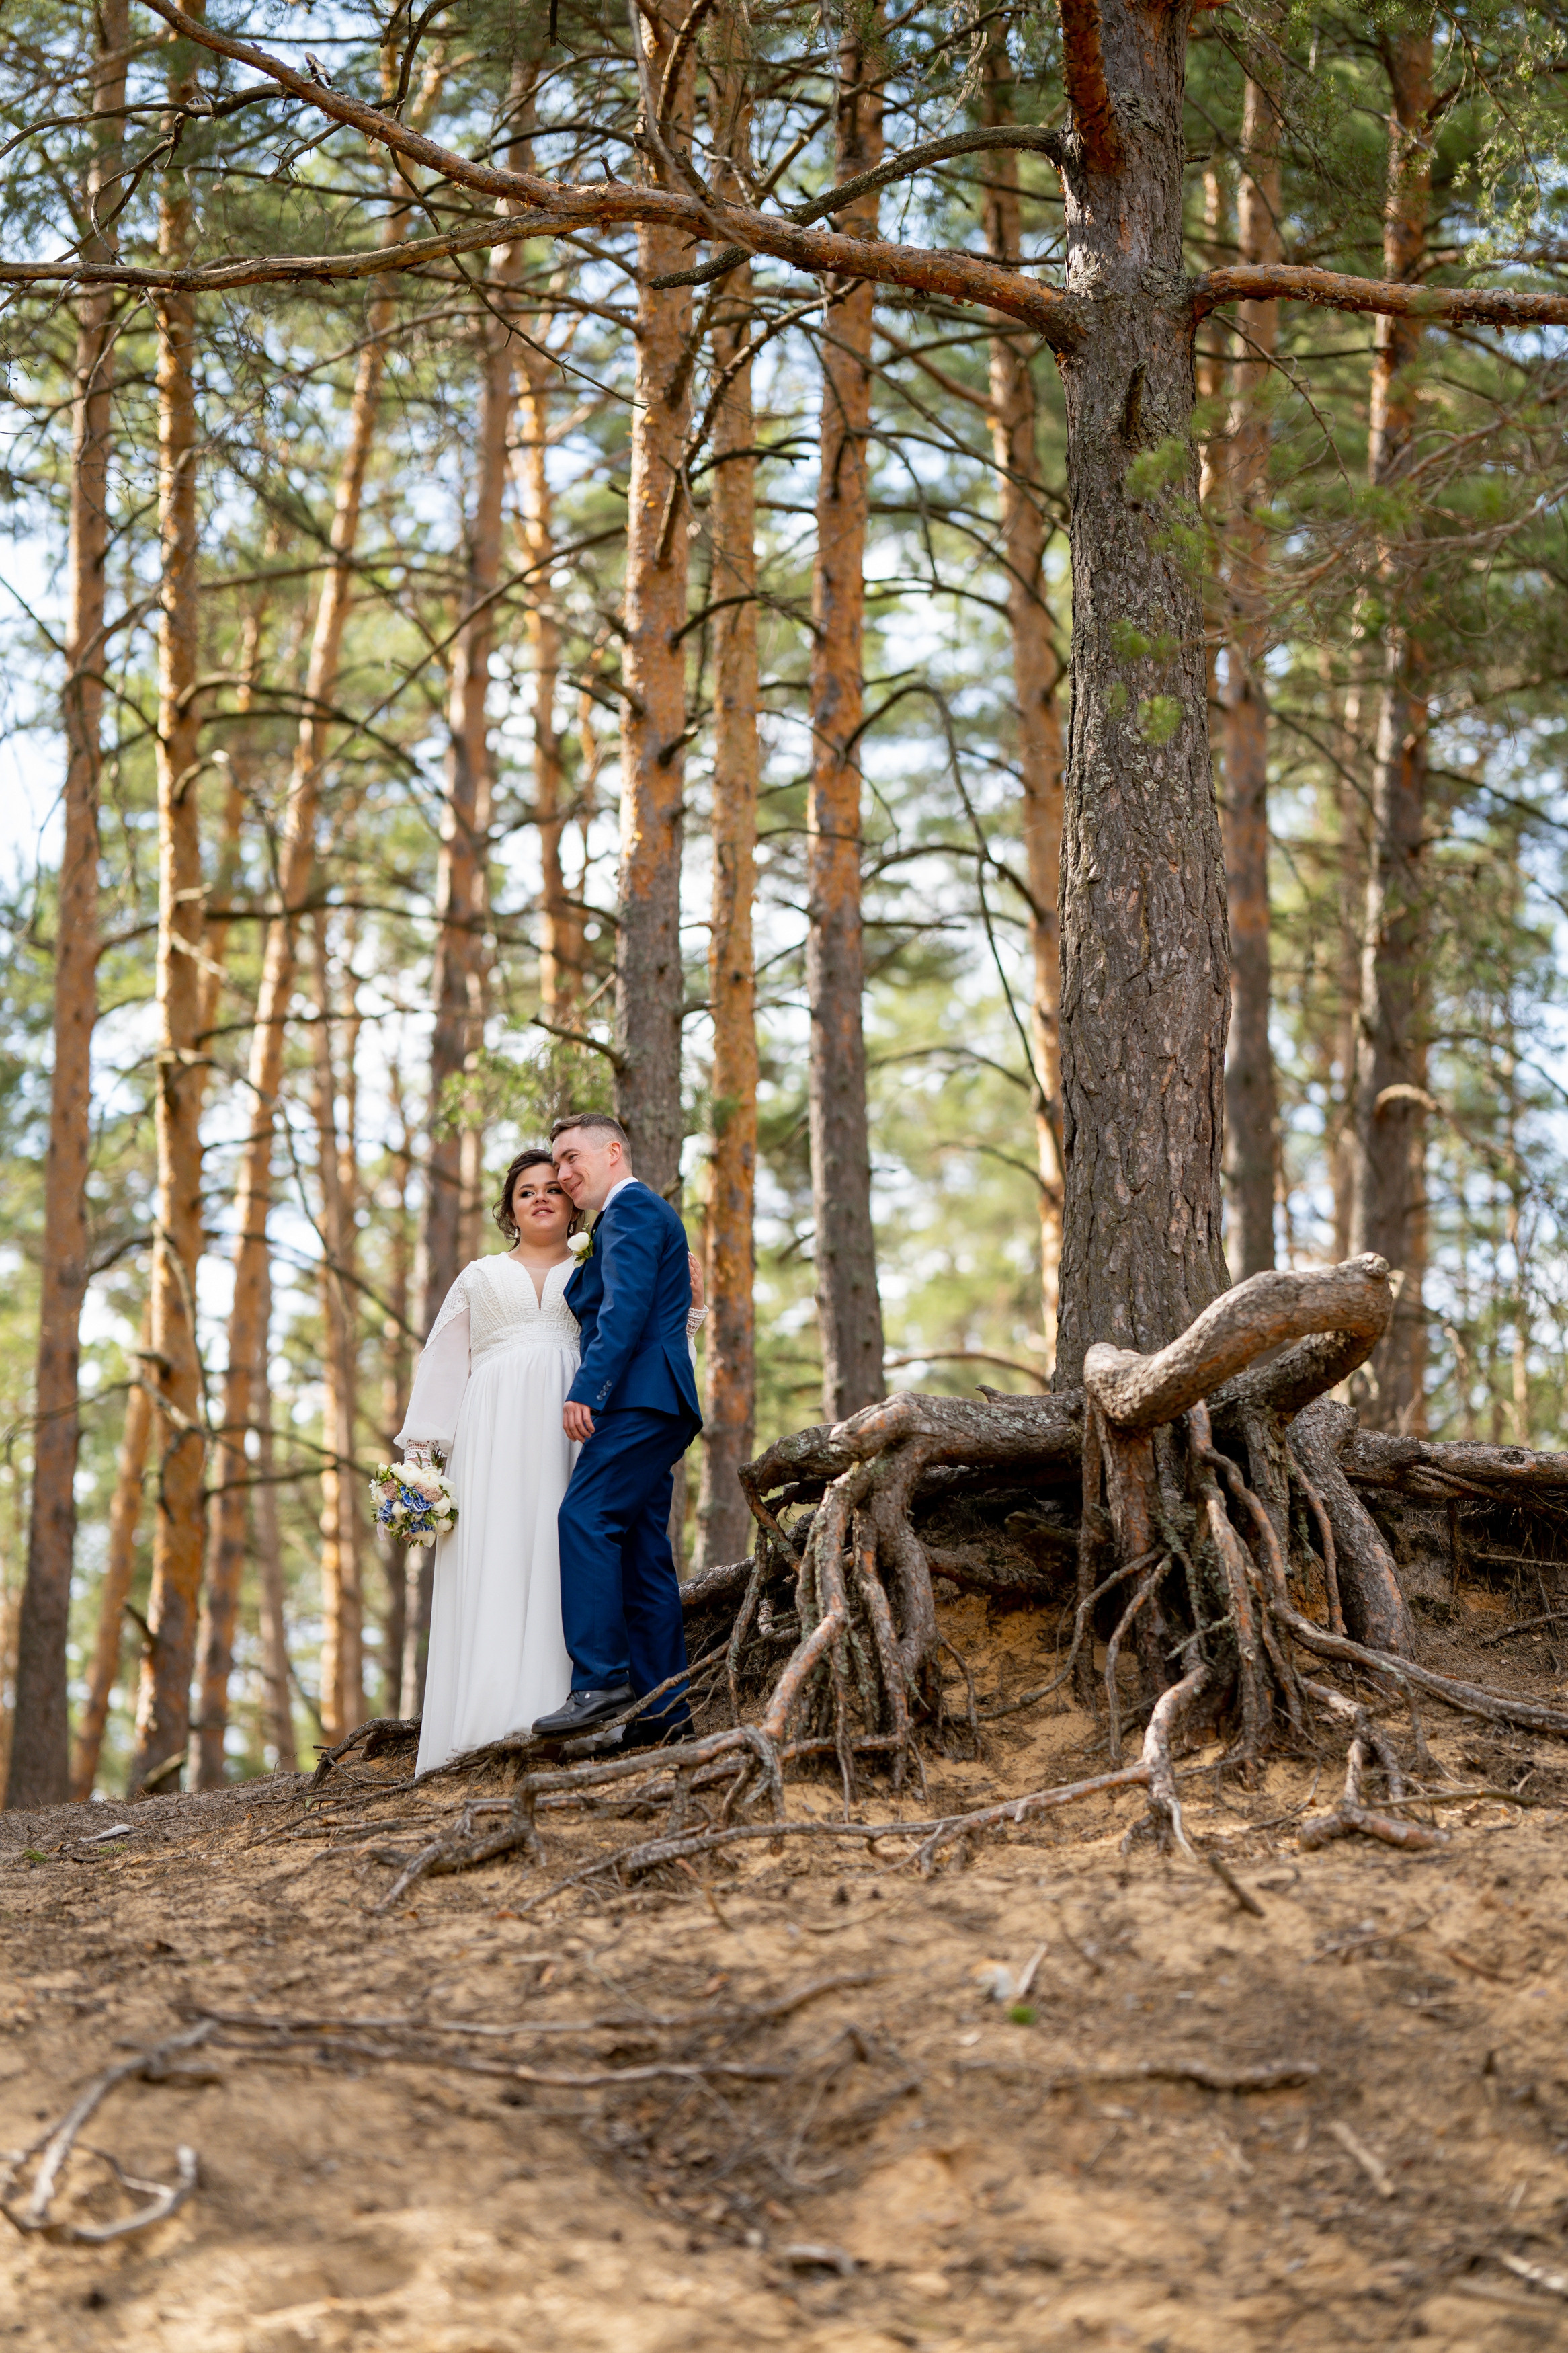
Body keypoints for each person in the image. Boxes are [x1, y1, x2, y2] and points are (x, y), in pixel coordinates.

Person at [395, 1144, 704, 1773]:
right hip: (492, 1431)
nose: (541, 1197)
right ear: (509, 1209)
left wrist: (692, 1310)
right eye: (525, 1191)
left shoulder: (597, 1261)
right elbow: (443, 1367)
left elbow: (639, 1329)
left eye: (552, 1188)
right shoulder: (480, 1275)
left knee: (578, 1545)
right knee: (497, 1552)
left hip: (580, 1419)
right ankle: (486, 1714)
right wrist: (421, 1465)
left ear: (572, 1203)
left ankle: (586, 1704)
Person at [530, 1112, 703, 1747]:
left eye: (573, 1159)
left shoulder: (630, 1210)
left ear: (613, 1153)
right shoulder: (636, 1218)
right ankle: (666, 1717)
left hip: (636, 1400)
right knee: (642, 1556)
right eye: (558, 1166)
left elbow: (622, 1310)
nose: (565, 1175)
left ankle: (601, 1682)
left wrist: (587, 1389)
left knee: (584, 1519)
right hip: (659, 1401)